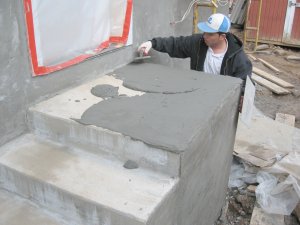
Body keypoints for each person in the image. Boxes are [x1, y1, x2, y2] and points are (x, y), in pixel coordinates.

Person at [138, 13, 252, 93]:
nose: (205, 36)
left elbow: (244, 86)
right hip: (198, 92)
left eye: (210, 34)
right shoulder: (198, 42)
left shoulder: (239, 59)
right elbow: (175, 44)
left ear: (222, 36)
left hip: (219, 98)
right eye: (205, 32)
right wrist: (152, 43)